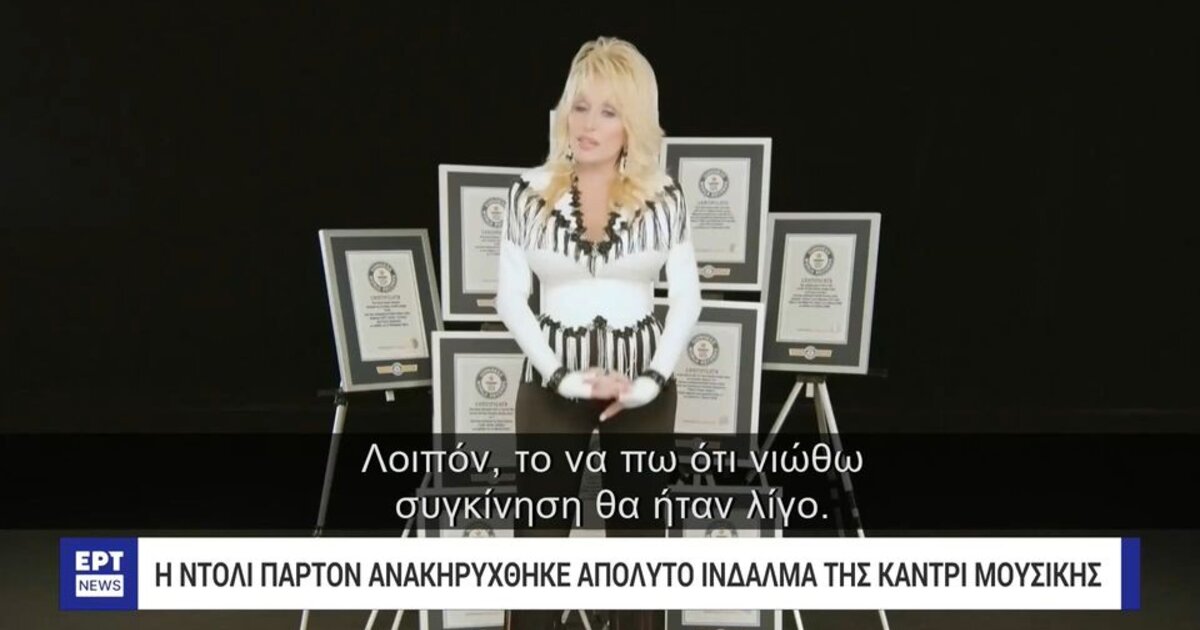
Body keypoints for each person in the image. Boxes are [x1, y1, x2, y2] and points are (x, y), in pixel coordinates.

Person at [494, 36, 702, 629]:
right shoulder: (527, 192)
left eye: (609, 111)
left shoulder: (665, 196)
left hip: (642, 388)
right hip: (549, 385)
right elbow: (509, 298)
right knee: (538, 542)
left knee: (639, 546)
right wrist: (561, 378)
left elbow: (687, 297)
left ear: (634, 123)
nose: (588, 124)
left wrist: (651, 381)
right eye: (580, 106)